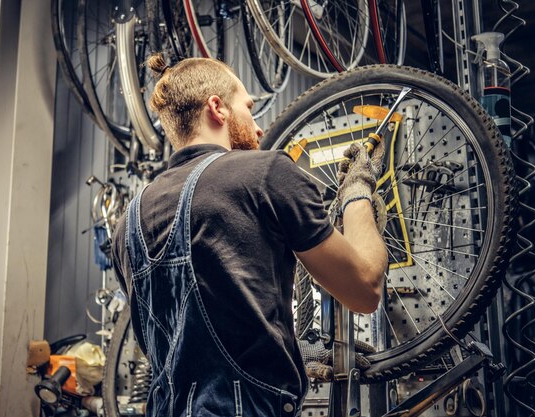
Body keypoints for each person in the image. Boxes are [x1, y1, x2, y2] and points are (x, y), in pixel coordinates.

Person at [111, 53, 387, 417]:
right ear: (217, 108)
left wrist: (287, 351)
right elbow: (365, 289)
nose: (258, 128)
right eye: (248, 107)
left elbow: (189, 340)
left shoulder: (127, 224)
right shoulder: (265, 174)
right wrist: (357, 191)